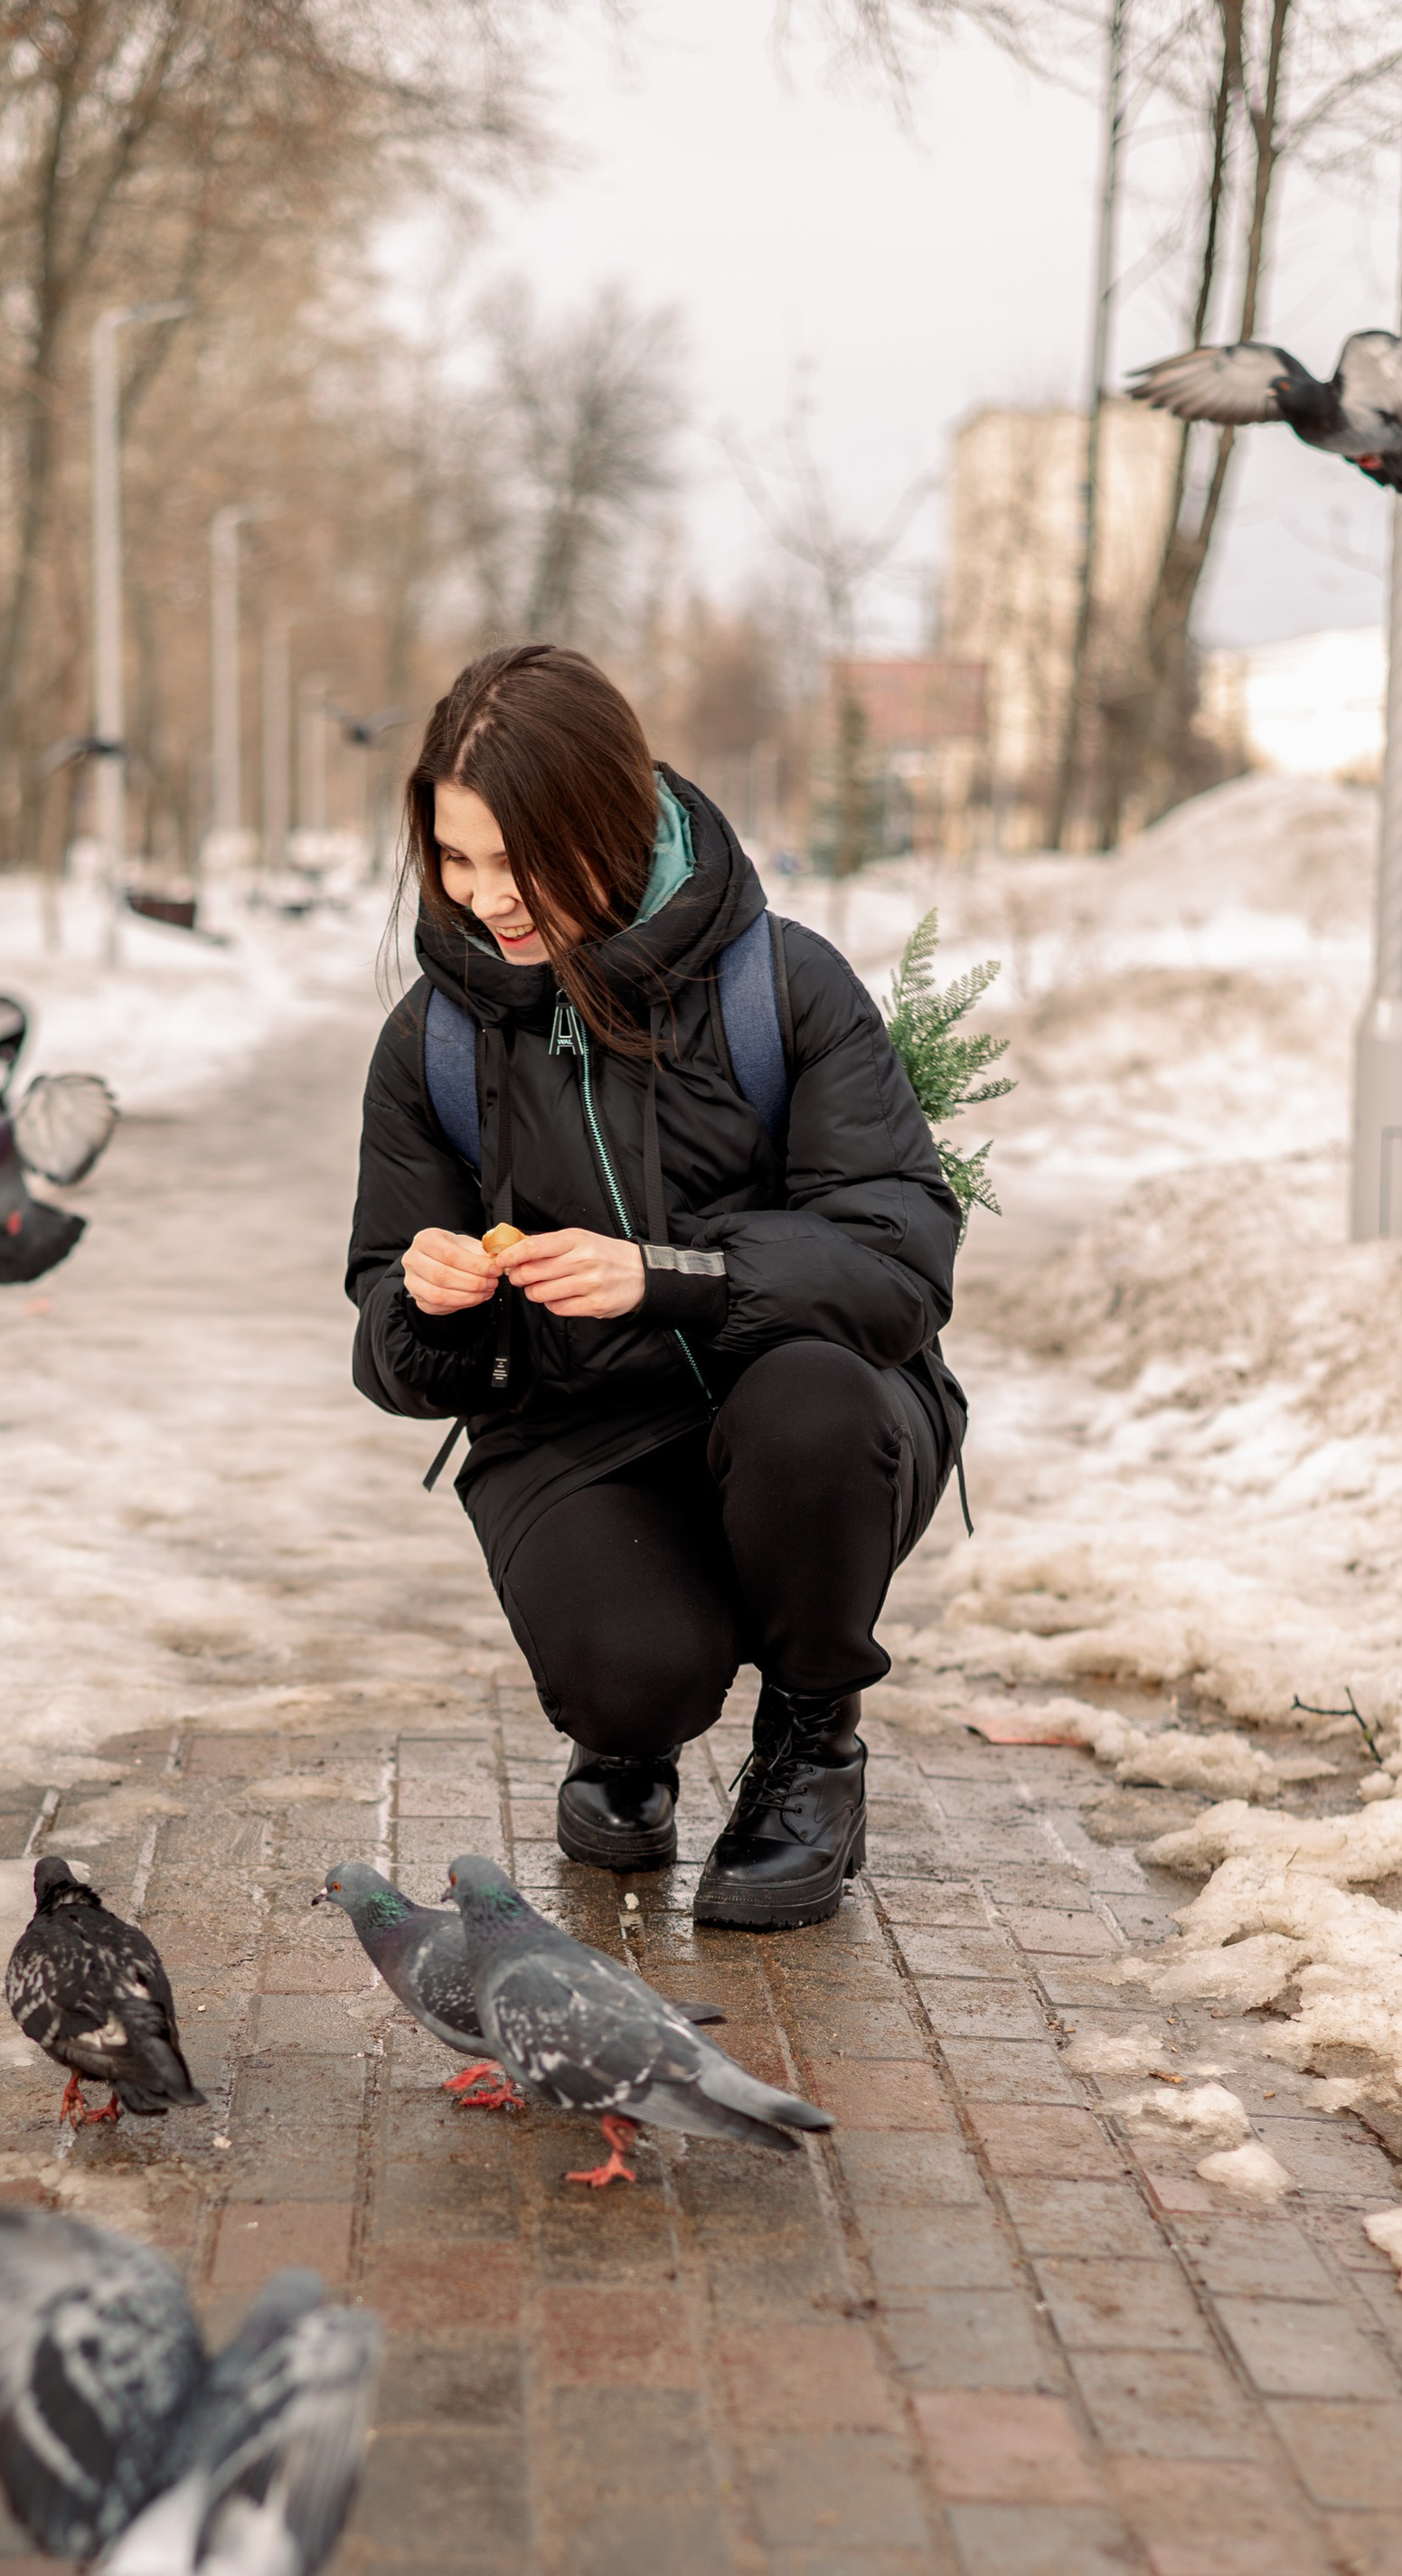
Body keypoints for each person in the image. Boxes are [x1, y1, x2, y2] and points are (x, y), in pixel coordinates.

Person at [345, 643, 964, 1932]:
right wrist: (428, 1305)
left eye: (519, 862)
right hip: (578, 1431)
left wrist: (673, 1278)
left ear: (610, 822)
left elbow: (900, 1261)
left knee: (811, 1404)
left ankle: (811, 1751)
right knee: (633, 1677)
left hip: (807, 1416)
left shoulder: (781, 986)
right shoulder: (434, 1042)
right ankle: (628, 1732)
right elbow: (385, 1338)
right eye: (456, 860)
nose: (486, 899)